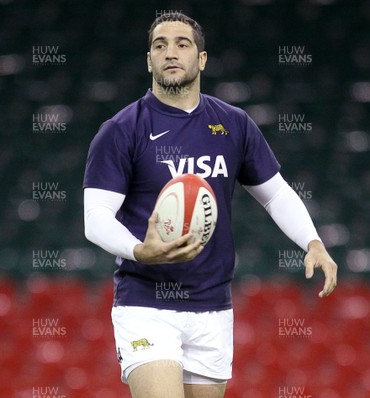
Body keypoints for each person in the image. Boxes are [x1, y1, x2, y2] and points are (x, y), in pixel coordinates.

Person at [83, 11, 338, 398]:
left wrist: (313, 242)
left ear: (201, 60)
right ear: (148, 59)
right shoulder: (122, 129)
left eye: (182, 45)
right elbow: (95, 217)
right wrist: (140, 250)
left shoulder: (233, 124)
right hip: (147, 303)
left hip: (213, 307)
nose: (171, 52)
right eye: (160, 45)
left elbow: (276, 194)